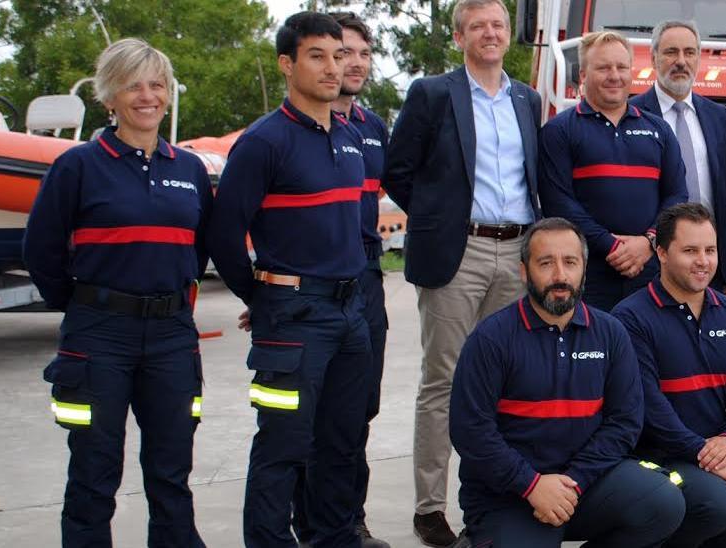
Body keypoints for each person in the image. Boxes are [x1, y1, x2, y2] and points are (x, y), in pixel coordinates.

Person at [24, 38, 211, 548]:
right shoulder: (77, 166)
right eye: (132, 85)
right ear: (109, 97)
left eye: (156, 85)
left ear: (168, 96)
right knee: (93, 472)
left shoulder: (189, 170)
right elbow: (41, 251)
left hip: (172, 336)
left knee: (171, 472)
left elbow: (197, 253)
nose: (146, 96)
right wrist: (90, 304)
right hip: (99, 335)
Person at [207, 12, 373, 547]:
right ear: (287, 64)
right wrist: (263, 295)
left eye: (339, 55)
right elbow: (223, 235)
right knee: (283, 445)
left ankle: (333, 538)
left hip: (351, 316)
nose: (334, 67)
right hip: (295, 320)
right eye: (317, 56)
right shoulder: (263, 142)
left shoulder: (349, 137)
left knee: (342, 443)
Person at [381, 0, 544, 543]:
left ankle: (496, 500)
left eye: (498, 24)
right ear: (459, 37)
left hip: (518, 250)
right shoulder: (432, 94)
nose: (491, 33)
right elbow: (398, 172)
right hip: (460, 252)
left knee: (505, 381)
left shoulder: (528, 98)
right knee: (444, 382)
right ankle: (430, 508)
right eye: (478, 26)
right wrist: (439, 220)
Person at [449, 217, 686, 546]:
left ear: (584, 270)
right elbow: (471, 432)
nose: (560, 276)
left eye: (570, 262)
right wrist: (531, 485)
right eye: (546, 263)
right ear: (523, 271)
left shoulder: (610, 333)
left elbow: (625, 422)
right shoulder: (491, 339)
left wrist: (573, 481)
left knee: (662, 502)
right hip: (509, 495)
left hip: (586, 484)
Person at [286, 11, 393, 548]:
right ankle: (314, 525)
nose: (351, 63)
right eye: (339, 52)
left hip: (367, 280)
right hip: (312, 291)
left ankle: (349, 518)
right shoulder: (297, 129)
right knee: (314, 415)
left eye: (360, 53)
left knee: (358, 410)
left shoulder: (373, 128)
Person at [612, 203, 726, 547]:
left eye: (710, 250)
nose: (703, 261)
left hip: (714, 457)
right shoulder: (630, 319)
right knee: (714, 503)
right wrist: (705, 454)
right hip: (650, 463)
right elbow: (648, 407)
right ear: (662, 253)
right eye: (690, 250)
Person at [539, 30, 688, 310]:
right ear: (583, 74)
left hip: (649, 270)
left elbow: (677, 195)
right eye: (603, 68)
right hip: (587, 273)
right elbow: (559, 204)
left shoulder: (658, 130)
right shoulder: (559, 131)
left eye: (621, 67)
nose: (615, 76)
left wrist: (648, 242)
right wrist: (611, 246)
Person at [630, 20, 726, 292]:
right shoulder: (631, 115)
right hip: (651, 262)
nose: (681, 61)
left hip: (707, 264)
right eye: (671, 52)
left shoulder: (719, 116)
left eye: (689, 52)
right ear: (653, 58)